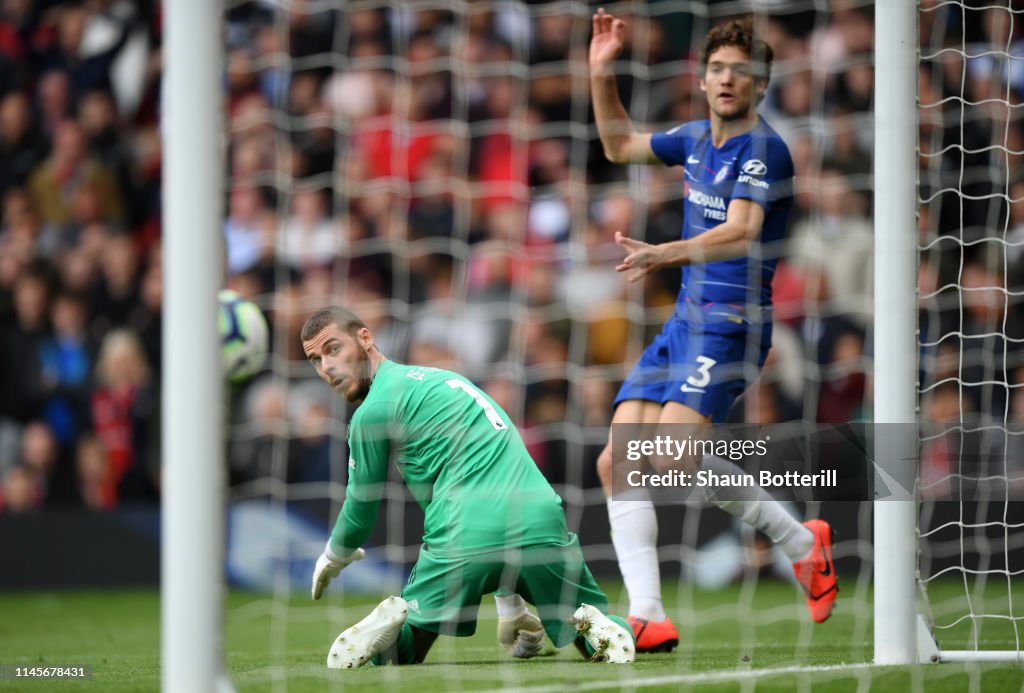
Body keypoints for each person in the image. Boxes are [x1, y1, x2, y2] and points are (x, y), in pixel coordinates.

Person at [588, 10, 838, 652]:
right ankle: (648, 613)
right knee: (617, 462)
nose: (728, 80)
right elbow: (618, 145)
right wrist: (600, 70)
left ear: (760, 86)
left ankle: (797, 542)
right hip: (682, 324)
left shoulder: (765, 149)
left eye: (741, 72)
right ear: (702, 79)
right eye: (718, 69)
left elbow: (742, 231)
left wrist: (661, 254)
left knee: (667, 458)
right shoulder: (695, 137)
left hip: (732, 325)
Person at [301, 306, 635, 667]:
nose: (327, 367)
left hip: (463, 531)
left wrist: (335, 555)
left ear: (365, 337)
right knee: (592, 638)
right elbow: (493, 474)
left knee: (403, 655)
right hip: (541, 517)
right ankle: (598, 625)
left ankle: (397, 622)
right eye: (315, 360)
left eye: (333, 349)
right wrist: (510, 601)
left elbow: (362, 504)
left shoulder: (373, 411)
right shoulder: (447, 381)